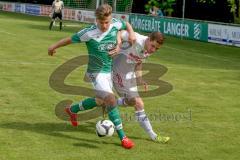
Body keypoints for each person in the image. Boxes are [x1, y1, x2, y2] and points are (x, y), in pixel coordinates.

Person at [48, 4, 136, 149]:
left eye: (107, 22)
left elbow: (125, 24)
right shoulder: (88, 33)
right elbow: (69, 39)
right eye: (101, 22)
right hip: (96, 72)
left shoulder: (114, 24)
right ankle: (123, 138)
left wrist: (129, 35)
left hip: (109, 71)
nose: (105, 25)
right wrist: (53, 47)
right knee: (111, 99)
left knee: (101, 101)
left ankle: (72, 110)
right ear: (96, 20)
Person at [111, 30, 170, 143]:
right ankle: (154, 136)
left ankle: (110, 102)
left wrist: (140, 79)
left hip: (130, 76)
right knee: (139, 103)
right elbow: (120, 31)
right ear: (148, 39)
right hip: (118, 73)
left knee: (133, 102)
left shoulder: (148, 50)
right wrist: (118, 44)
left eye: (157, 49)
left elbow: (138, 62)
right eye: (153, 46)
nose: (153, 50)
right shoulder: (136, 38)